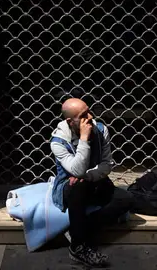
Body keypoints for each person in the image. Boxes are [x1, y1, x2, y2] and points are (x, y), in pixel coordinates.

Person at [50, 98, 134, 267]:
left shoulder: (101, 129)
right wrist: (84, 138)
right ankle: (78, 247)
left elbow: (107, 164)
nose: (89, 117)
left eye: (89, 111)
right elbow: (76, 171)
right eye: (83, 115)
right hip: (70, 188)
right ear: (70, 121)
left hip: (95, 180)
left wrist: (88, 176)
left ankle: (77, 231)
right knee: (77, 185)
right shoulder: (58, 141)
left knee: (126, 199)